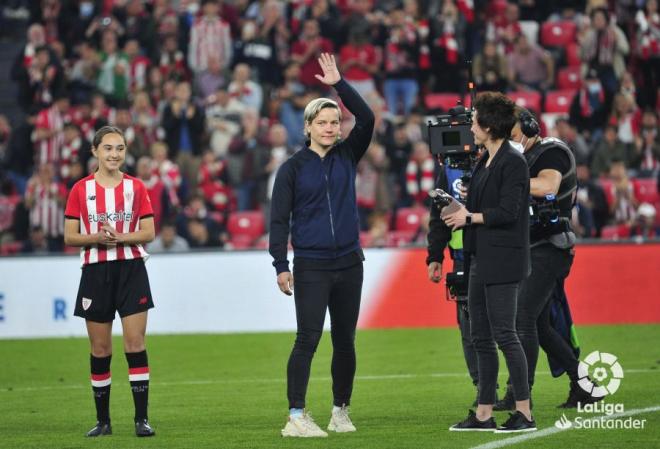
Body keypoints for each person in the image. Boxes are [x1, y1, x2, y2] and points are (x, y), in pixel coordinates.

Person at [269, 53, 374, 438]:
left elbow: (368, 118)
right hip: (311, 265)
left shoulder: (348, 154)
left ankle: (340, 411)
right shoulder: (292, 168)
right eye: (323, 122)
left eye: (335, 122)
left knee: (345, 341)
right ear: (308, 126)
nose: (331, 127)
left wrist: (339, 84)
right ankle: (296, 416)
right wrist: (280, 264)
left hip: (350, 263)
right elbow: (278, 221)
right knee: (307, 339)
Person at [495, 108, 602, 410]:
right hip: (533, 247)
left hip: (550, 245)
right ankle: (584, 386)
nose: (510, 142)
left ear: (529, 128)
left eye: (513, 135)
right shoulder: (521, 158)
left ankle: (520, 394)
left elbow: (547, 187)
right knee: (539, 326)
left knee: (523, 317)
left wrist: (503, 182)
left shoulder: (552, 151)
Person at [443, 92, 535, 433]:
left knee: (505, 335)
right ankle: (483, 414)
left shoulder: (513, 160)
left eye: (474, 118)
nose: (471, 124)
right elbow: (490, 203)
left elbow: (510, 212)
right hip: (482, 256)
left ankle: (524, 411)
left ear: (488, 125)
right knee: (481, 336)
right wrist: (466, 200)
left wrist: (470, 217)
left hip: (505, 258)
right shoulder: (485, 158)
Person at [63, 126, 156, 438]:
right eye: (108, 148)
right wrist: (96, 238)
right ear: (95, 151)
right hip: (95, 273)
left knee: (135, 343)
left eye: (120, 148)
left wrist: (120, 237)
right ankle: (103, 421)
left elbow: (149, 232)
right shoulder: (80, 189)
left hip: (131, 269)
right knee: (100, 348)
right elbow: (69, 236)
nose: (114, 154)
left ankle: (141, 420)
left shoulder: (136, 187)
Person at [426, 153, 480, 406]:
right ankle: (483, 388)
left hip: (498, 257)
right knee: (469, 329)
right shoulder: (448, 171)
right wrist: (434, 255)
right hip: (462, 259)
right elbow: (439, 215)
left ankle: (517, 389)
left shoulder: (500, 157)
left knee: (506, 327)